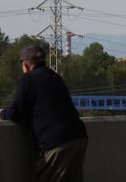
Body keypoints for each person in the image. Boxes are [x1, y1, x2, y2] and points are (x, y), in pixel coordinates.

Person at [0, 45, 88, 182]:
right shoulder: (55, 77)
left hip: (57, 142)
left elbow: (16, 112)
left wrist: (2, 114)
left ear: (26, 66)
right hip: (79, 137)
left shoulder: (28, 79)